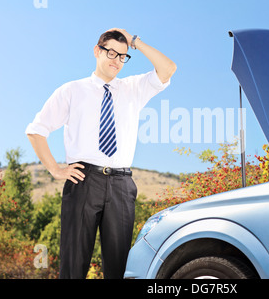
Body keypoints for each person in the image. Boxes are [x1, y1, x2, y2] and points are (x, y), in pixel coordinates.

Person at [26, 28, 176, 278]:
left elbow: (168, 68)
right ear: (97, 51)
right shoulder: (71, 90)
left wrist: (135, 41)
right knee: (74, 264)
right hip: (83, 181)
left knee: (118, 268)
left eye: (122, 56)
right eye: (111, 53)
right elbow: (36, 131)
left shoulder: (133, 88)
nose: (116, 61)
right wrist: (55, 169)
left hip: (121, 185)